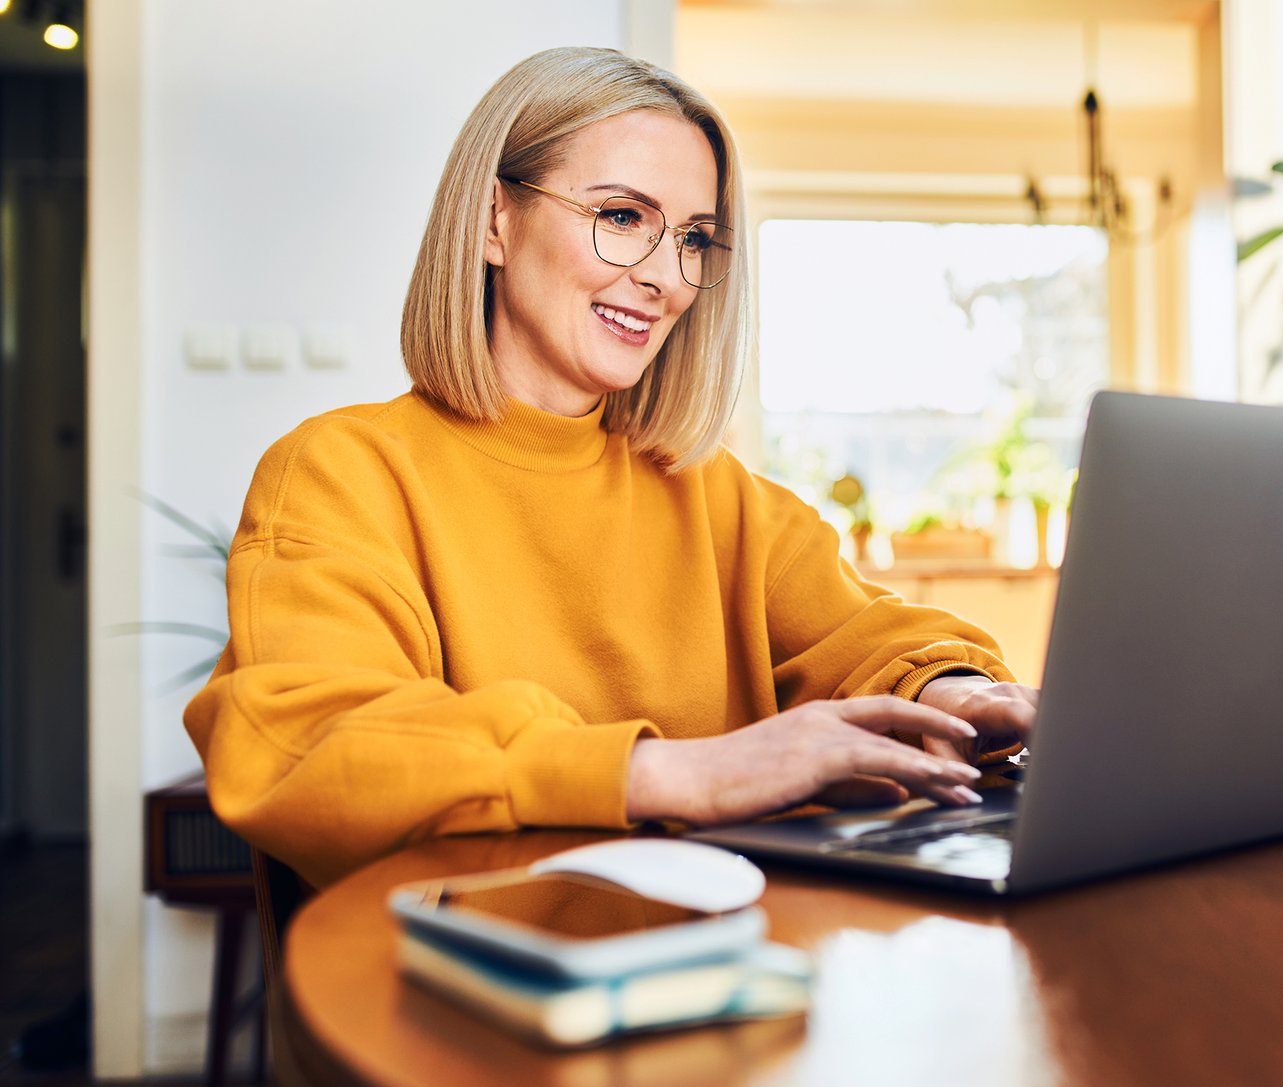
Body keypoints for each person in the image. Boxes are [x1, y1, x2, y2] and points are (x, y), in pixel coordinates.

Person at [185, 47, 1038, 888]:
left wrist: (952, 692)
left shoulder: (712, 493)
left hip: (730, 962)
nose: (666, 278)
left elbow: (873, 636)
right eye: (623, 216)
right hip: (463, 968)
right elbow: (310, 744)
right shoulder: (341, 474)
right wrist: (675, 774)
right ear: (493, 221)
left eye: (694, 238)